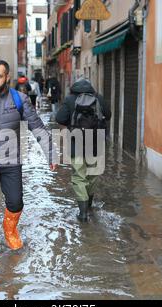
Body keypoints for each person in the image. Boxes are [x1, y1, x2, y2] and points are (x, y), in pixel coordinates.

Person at [0, 60, 58, 263]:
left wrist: (51, 154)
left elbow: (37, 127)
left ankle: (10, 230)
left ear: (7, 77)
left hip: (11, 162)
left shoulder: (20, 100)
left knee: (15, 202)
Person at [56, 77, 111, 222]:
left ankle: (83, 213)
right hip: (96, 143)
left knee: (79, 177)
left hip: (76, 143)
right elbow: (109, 115)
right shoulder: (98, 98)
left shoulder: (69, 99)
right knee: (92, 174)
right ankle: (90, 205)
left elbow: (59, 118)